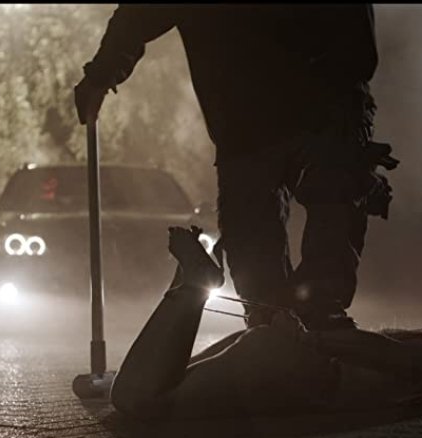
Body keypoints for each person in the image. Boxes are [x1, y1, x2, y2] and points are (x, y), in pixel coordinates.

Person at [74, 5, 398, 331]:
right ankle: (272, 318)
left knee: (334, 195)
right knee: (252, 233)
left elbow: (357, 43)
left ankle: (318, 308)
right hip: (248, 124)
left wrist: (99, 77)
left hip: (318, 110)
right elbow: (139, 15)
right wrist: (100, 76)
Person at [109, 226, 422, 421]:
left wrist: (308, 340)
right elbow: (378, 351)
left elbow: (378, 350)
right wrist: (308, 341)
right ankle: (190, 284)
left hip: (294, 365)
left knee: (144, 395)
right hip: (297, 369)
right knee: (142, 398)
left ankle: (190, 283)